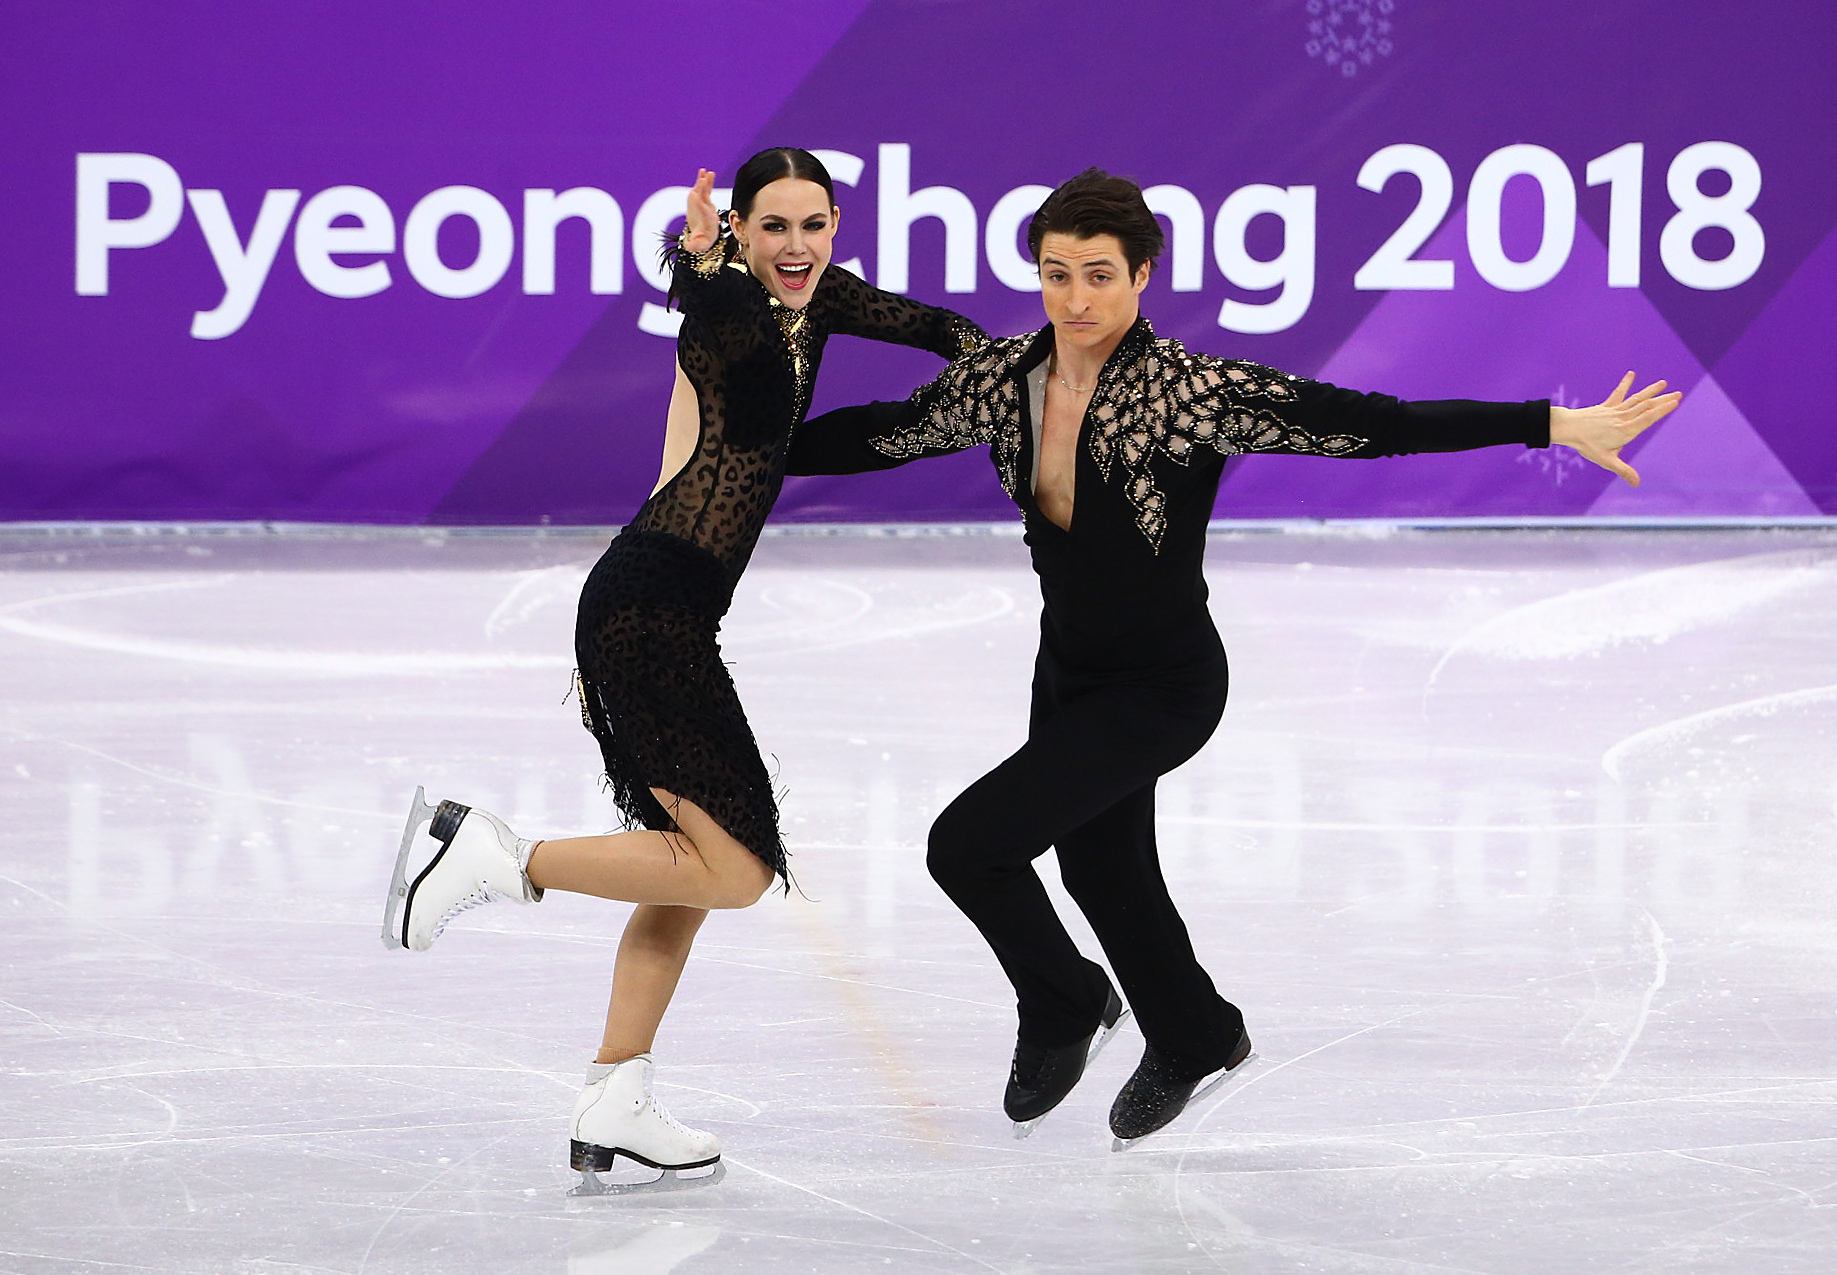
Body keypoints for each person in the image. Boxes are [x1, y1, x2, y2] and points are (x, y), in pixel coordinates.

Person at [786, 168, 1680, 1147]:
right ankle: (1193, 1032)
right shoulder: (1002, 380)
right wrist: (738, 442)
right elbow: (877, 436)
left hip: (1164, 684)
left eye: (1098, 275)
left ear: (1142, 275)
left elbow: (1372, 424)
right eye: (1055, 275)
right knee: (1099, 868)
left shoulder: (1193, 393)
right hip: (1069, 672)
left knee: (968, 846)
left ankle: (1066, 1002)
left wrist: (1546, 423)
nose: (1076, 300)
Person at [381, 148, 986, 1191]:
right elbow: (709, 303)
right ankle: (493, 856)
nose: (794, 247)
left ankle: (616, 1092)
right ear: (740, 229)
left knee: (690, 864)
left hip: (658, 605)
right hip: (651, 607)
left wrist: (1002, 370)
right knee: (738, 867)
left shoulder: (822, 298)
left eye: (812, 225)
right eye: (772, 228)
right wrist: (698, 259)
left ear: (835, 224)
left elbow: (935, 328)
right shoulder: (728, 307)